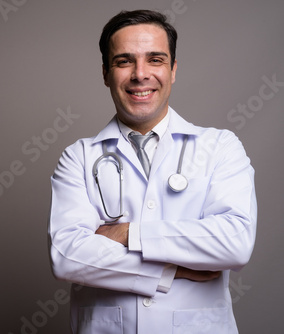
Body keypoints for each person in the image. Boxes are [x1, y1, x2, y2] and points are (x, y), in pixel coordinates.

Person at [48, 9, 257, 334]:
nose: (140, 74)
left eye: (155, 60)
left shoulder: (220, 147)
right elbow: (68, 256)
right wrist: (170, 270)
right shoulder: (79, 157)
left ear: (173, 70)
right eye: (124, 61)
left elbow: (234, 241)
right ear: (105, 73)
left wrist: (128, 232)